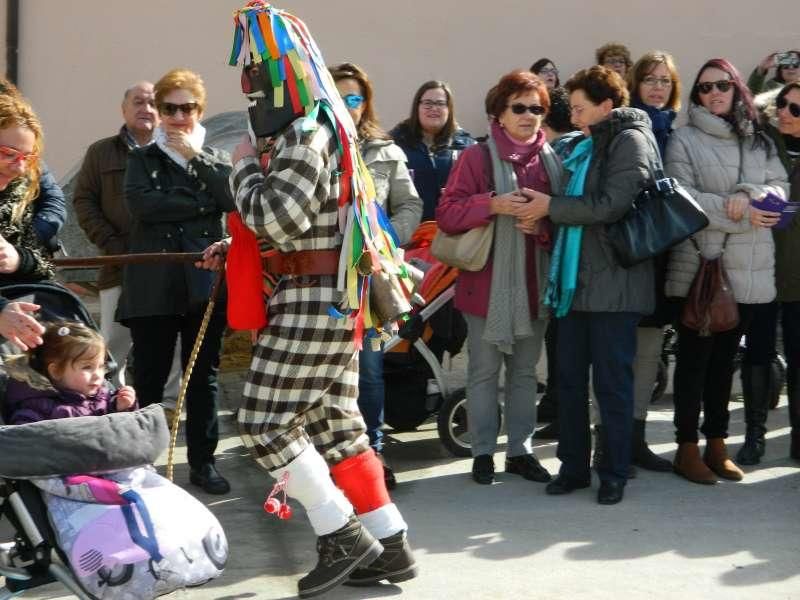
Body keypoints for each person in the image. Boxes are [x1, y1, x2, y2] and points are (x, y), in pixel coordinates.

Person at [221, 3, 417, 596]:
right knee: (338, 428)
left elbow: (279, 220)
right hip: (332, 296)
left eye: (258, 71)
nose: (251, 82)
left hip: (314, 299)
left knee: (260, 421)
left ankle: (340, 532)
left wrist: (240, 173)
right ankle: (390, 543)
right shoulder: (322, 129)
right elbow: (299, 230)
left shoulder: (306, 132)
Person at [516, 66, 658, 505]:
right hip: (574, 283)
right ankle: (573, 467)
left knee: (612, 385)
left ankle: (613, 471)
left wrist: (551, 207)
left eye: (580, 109)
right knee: (571, 381)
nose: (574, 118)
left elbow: (612, 204)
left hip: (616, 284)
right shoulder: (583, 142)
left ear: (606, 106)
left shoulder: (631, 140)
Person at [664, 58, 788, 485]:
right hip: (703, 268)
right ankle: (686, 449)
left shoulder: (760, 141)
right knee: (694, 365)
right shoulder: (683, 140)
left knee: (723, 367)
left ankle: (717, 444)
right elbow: (682, 199)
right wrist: (743, 213)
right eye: (704, 88)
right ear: (696, 95)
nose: (714, 93)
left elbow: (781, 190)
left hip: (750, 270)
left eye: (722, 85)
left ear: (737, 89)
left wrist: (751, 194)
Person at [437, 70, 561, 486]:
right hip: (486, 289)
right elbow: (448, 214)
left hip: (534, 286)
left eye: (537, 108)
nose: (529, 116)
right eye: (520, 107)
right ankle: (483, 451)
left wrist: (540, 227)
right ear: (500, 113)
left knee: (525, 374)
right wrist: (493, 204)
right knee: (484, 373)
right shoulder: (477, 156)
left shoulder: (551, 159)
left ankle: (520, 451)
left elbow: (563, 224)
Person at [119, 68, 233, 495]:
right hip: (153, 282)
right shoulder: (141, 157)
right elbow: (142, 207)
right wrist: (197, 200)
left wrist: (197, 160)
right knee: (149, 375)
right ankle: (144, 464)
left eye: (187, 108)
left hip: (204, 283)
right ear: (160, 111)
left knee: (202, 375)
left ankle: (204, 462)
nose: (178, 116)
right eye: (170, 108)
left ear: (199, 111)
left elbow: (229, 198)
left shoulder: (217, 158)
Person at [330, 62, 422, 489]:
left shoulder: (386, 150)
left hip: (369, 280)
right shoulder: (311, 146)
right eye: (340, 95)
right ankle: (327, 462)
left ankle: (373, 460)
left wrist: (385, 242)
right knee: (325, 374)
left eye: (356, 98)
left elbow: (410, 205)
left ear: (365, 103)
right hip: (322, 280)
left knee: (367, 372)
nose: (349, 105)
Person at [615, 51, 683, 472]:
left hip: (665, 256)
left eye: (665, 80)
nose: (657, 87)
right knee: (617, 354)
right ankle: (612, 442)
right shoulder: (624, 128)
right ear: (636, 85)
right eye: (650, 79)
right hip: (627, 254)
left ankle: (636, 437)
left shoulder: (678, 132)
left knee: (648, 352)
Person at [73, 82, 160, 387]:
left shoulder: (174, 151)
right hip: (118, 264)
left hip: (167, 264)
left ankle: (166, 407)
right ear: (123, 110)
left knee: (167, 345)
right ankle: (107, 403)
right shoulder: (101, 152)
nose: (146, 109)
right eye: (138, 102)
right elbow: (83, 201)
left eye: (152, 103)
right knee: (111, 346)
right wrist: (110, 243)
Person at [740, 82, 800, 464]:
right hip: (758, 264)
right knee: (757, 354)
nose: (785, 112)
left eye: (796, 109)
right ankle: (754, 435)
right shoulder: (760, 143)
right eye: (782, 104)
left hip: (797, 274)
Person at [3, 320, 136, 425]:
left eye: (101, 366)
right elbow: (23, 441)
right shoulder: (37, 407)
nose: (98, 375)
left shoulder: (105, 398)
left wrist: (122, 407)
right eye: (87, 367)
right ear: (56, 372)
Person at [390, 81, 475, 221]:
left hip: (453, 234)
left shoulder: (467, 147)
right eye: (428, 103)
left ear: (449, 109)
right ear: (417, 107)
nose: (434, 108)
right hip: (408, 233)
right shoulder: (395, 144)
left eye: (440, 103)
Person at [0, 78, 65, 252]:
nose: (19, 167)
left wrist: (26, 243)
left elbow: (54, 202)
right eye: (7, 153)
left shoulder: (29, 162)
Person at [0, 94, 54, 288]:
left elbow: (46, 265)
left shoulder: (18, 194)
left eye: (27, 158)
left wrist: (18, 259)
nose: (20, 168)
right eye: (8, 154)